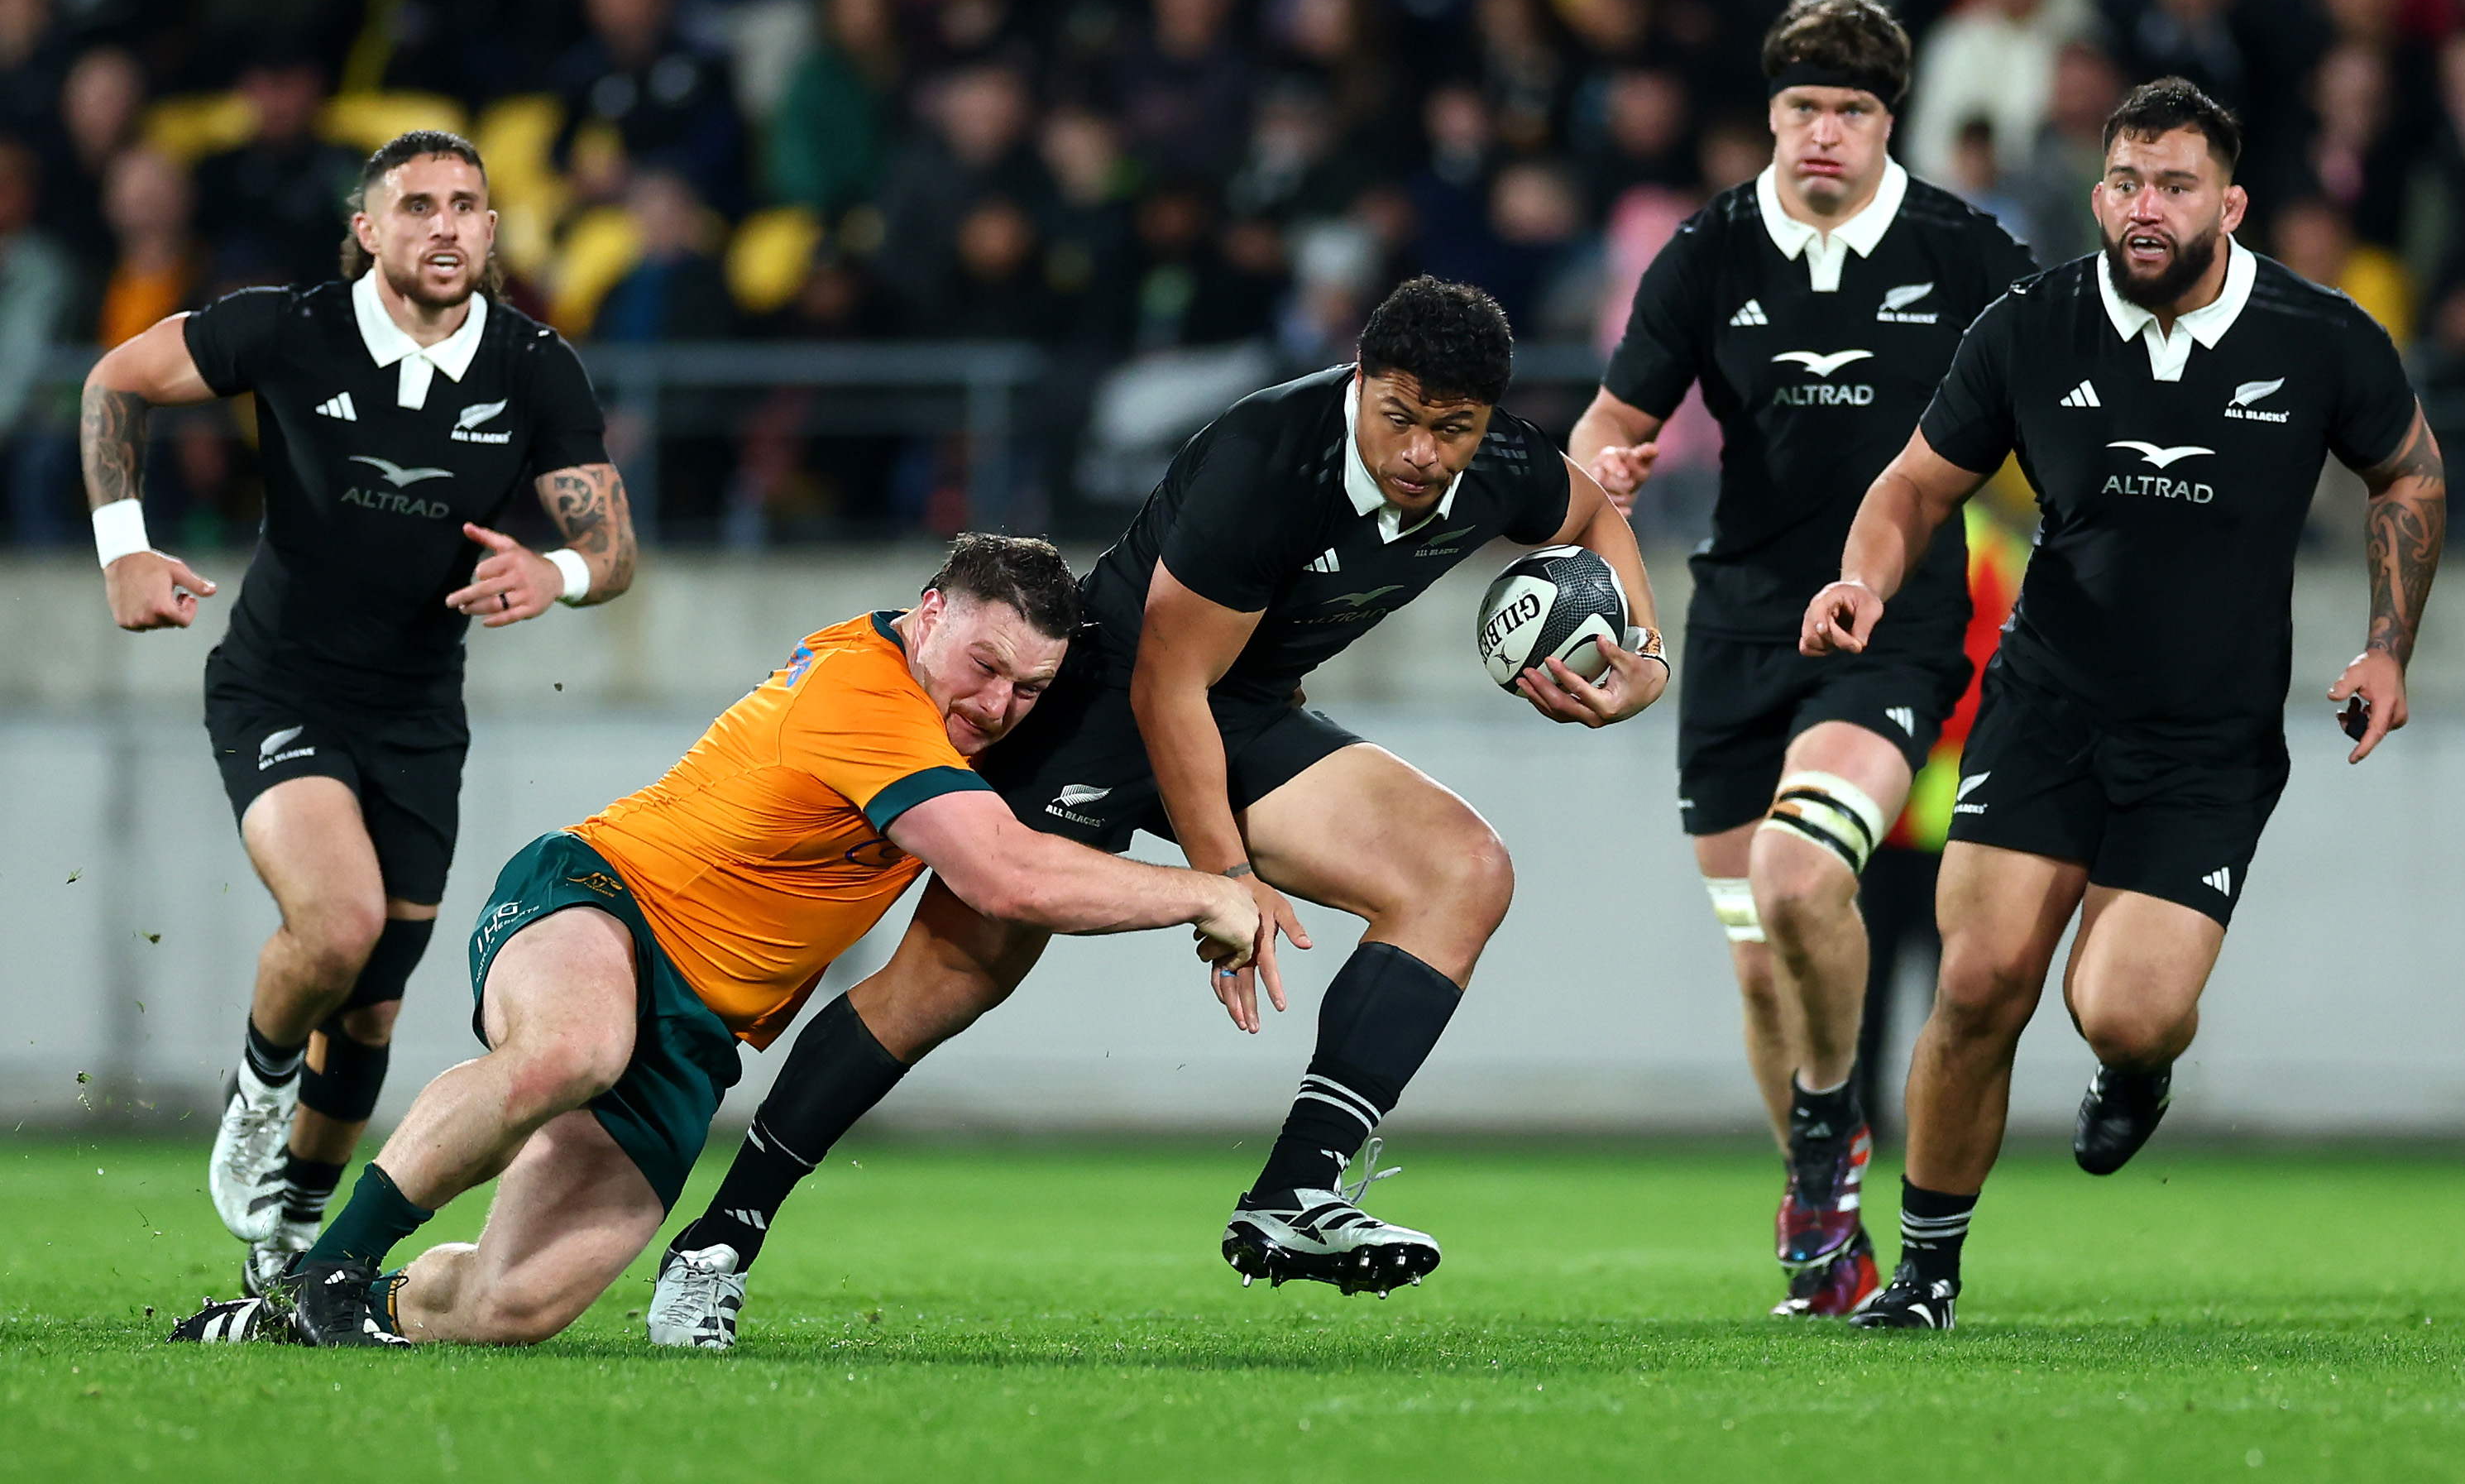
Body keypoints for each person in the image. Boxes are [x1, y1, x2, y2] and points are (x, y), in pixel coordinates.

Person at [644, 275, 1670, 1347]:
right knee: (950, 977)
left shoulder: (1498, 468)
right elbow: (1166, 689)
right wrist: (1224, 885)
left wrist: (1646, 659)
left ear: (1488, 424)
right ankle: (719, 1240)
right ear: (1360, 381)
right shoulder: (1268, 459)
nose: (1420, 453)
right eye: (1398, 416)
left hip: (1246, 713)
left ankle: (1295, 1195)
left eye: (1451, 430)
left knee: (1464, 871)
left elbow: (1594, 509)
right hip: (1102, 706)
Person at [168, 536, 1263, 1348]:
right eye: (985, 666)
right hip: (604, 901)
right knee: (572, 1048)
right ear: (928, 613)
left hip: (700, 1035)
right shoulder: (867, 692)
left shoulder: (943, 701)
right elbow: (1001, 873)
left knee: (517, 1306)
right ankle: (332, 1272)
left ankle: (289, 1322)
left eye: (1030, 688)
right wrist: (1205, 893)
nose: (1000, 706)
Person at [1804, 78, 2443, 1329]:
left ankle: (2135, 1067)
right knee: (1981, 980)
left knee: (2127, 1006)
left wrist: (2387, 647)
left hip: (2207, 740)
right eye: (2127, 183)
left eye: (2176, 185)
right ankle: (1927, 1275)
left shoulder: (2320, 336)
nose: (2146, 208)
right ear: (2100, 193)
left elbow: (2407, 472)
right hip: (2046, 706)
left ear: (2231, 202)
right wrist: (1858, 578)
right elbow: (1912, 487)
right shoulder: (2028, 327)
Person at [78, 131, 638, 1296]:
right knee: (335, 926)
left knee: (375, 1008)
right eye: (418, 205)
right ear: (368, 231)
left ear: (493, 230)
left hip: (420, 714)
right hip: (280, 682)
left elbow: (611, 547)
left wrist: (561, 576)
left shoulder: (537, 366)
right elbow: (115, 380)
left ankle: (291, 1230)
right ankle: (259, 1085)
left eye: (469, 206)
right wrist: (124, 553)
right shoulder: (290, 327)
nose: (446, 225)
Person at [1568, 0, 2035, 1319]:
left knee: (1796, 873)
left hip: (1893, 629)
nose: (1824, 133)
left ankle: (1829, 1135)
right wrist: (1600, 473)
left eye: (1851, 111)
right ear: (1770, 116)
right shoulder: (1707, 251)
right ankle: (1827, 1237)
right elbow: (1604, 434)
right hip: (1731, 634)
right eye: (1802, 110)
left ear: (1890, 122)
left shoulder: (1963, 251)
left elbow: (2065, 402)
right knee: (1761, 953)